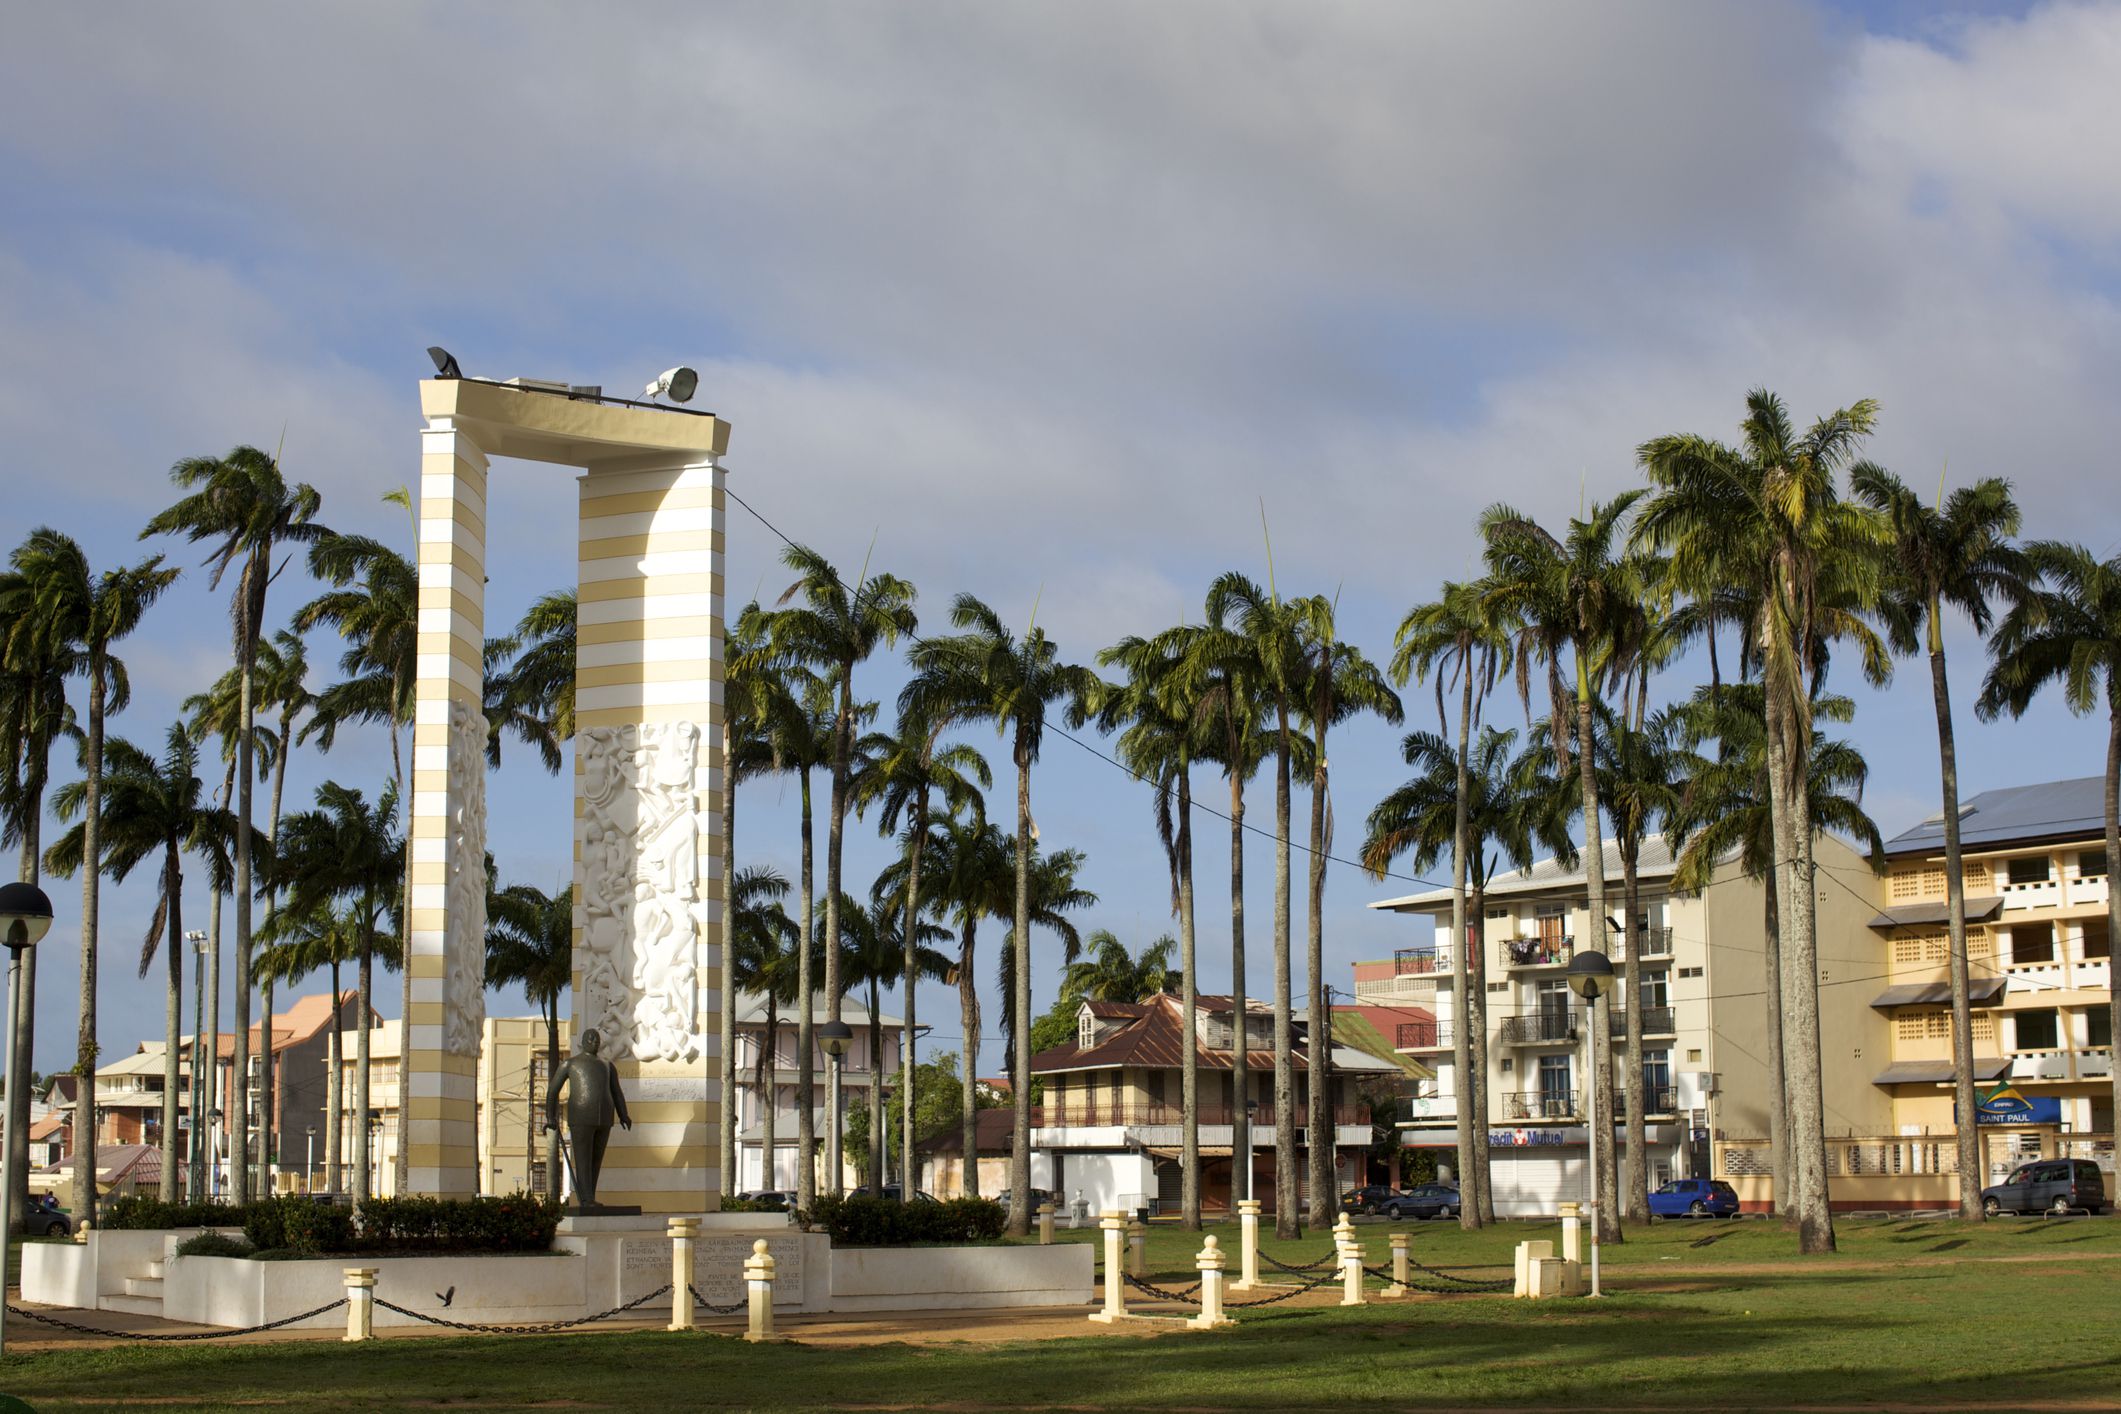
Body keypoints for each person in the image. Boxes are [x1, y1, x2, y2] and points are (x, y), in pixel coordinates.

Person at [544, 1028, 632, 1209]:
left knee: (596, 1160)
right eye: (590, 1038)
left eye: (596, 1039)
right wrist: (550, 1116)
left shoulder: (607, 1066)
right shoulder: (570, 1064)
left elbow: (617, 1093)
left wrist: (623, 1114)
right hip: (581, 1117)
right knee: (583, 1159)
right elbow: (552, 1092)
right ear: (583, 1042)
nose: (594, 1041)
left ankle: (589, 1196)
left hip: (604, 1118)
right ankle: (585, 1199)